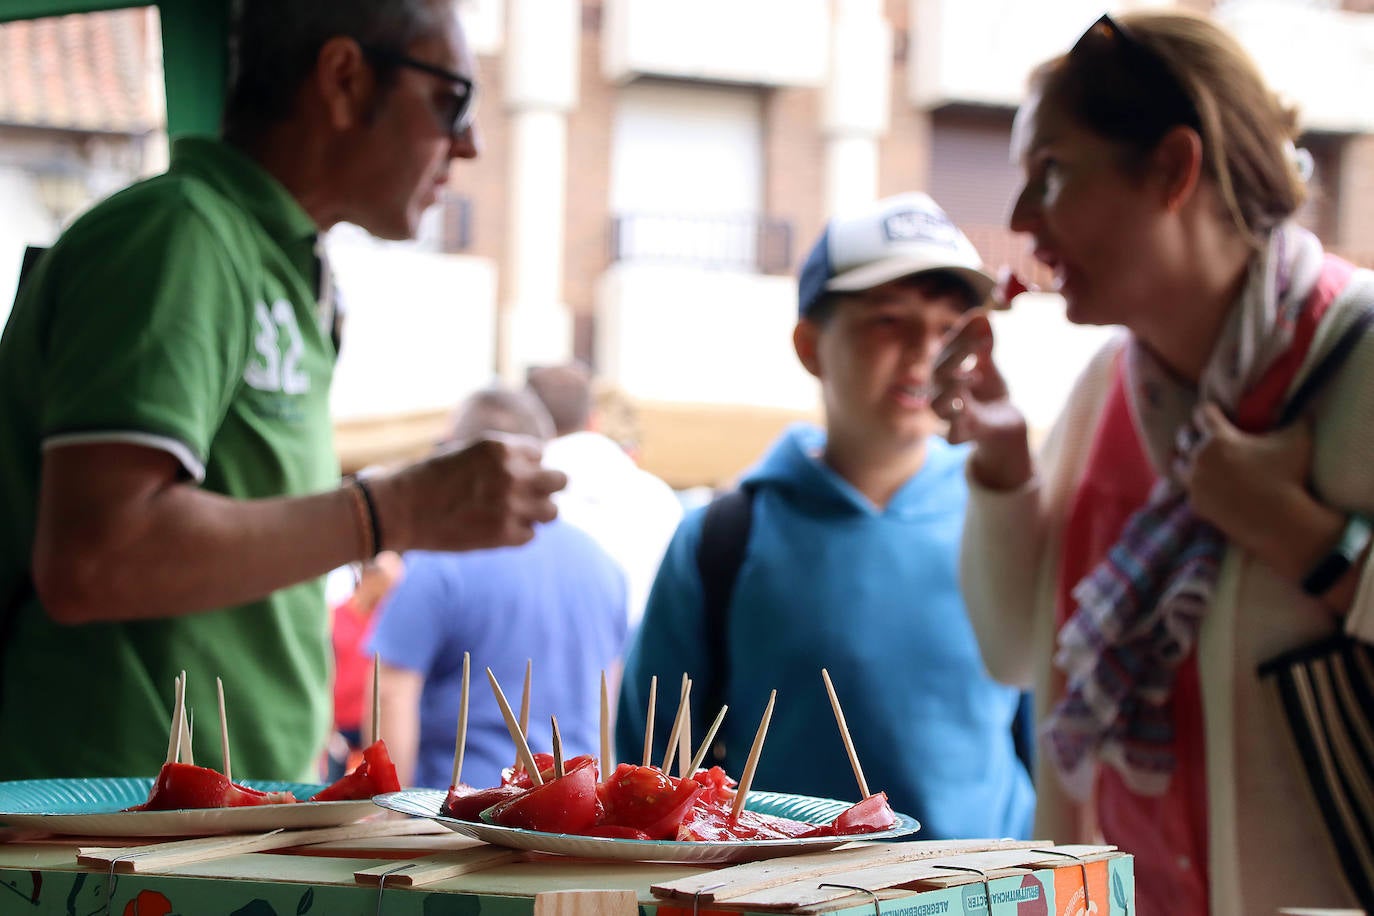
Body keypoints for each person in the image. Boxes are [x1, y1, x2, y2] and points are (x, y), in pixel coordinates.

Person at [0, 0, 566, 782]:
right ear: (342, 79)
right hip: (111, 841)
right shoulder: (178, 237)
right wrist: (391, 510)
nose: (467, 142)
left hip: (205, 829)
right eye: (450, 99)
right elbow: (95, 558)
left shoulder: (274, 263)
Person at [934, 11, 1374, 914]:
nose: (1020, 218)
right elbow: (1014, 650)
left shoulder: (1357, 356)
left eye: (1050, 173)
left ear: (1174, 168)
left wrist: (1306, 541)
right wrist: (1005, 467)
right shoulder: (1106, 388)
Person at [616, 192, 1036, 841]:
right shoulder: (722, 539)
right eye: (889, 322)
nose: (927, 352)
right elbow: (650, 782)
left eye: (951, 327)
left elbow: (1059, 749)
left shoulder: (1010, 517)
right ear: (810, 345)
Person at [369, 387, 628, 789]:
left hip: (464, 820)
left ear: (460, 459)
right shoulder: (604, 566)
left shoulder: (440, 560)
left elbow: (392, 693)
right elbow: (606, 700)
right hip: (574, 817)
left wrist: (387, 813)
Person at [526, 363, 683, 632]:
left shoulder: (520, 503)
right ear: (593, 420)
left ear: (528, 422)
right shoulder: (659, 496)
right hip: (647, 664)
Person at [326, 550, 404, 781]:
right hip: (340, 733)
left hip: (374, 731)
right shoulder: (334, 617)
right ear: (370, 578)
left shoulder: (388, 624)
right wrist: (329, 734)